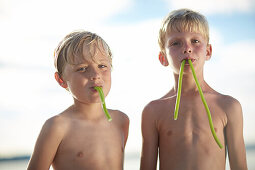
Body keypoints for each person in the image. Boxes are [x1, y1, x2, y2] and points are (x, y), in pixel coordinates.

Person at [140, 9, 247, 170]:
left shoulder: (229, 106)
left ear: (208, 51)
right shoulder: (153, 111)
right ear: (163, 58)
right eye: (176, 43)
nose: (187, 48)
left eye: (195, 41)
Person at [27, 30, 129, 170]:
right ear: (61, 80)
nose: (95, 75)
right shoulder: (57, 127)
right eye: (82, 69)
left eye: (102, 66)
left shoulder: (121, 120)